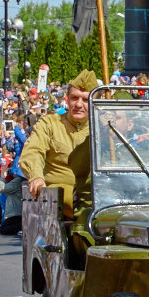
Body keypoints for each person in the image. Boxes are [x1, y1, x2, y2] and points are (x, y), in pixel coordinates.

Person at [18, 70, 95, 220]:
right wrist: (36, 177)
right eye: (74, 98)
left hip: (95, 199)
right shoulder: (50, 124)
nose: (79, 104)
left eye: (85, 100)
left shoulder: (102, 127)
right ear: (67, 99)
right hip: (59, 203)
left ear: (94, 101)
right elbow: (33, 151)